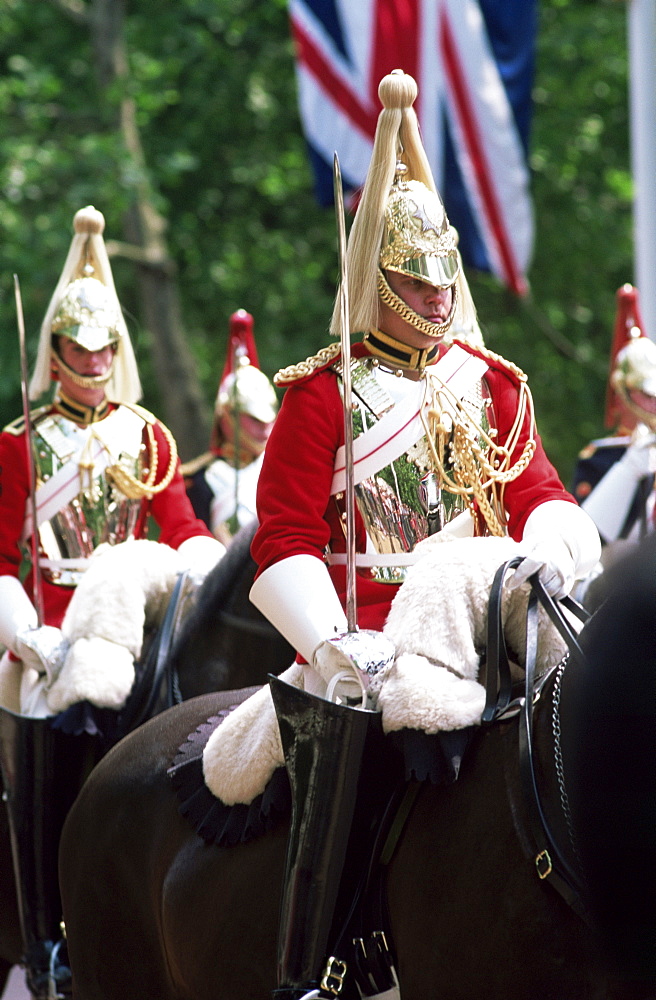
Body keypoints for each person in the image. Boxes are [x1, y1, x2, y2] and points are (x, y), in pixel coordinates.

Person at [245, 71, 601, 1000]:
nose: (438, 295)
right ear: (377, 274)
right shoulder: (322, 392)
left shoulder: (493, 382)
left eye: (445, 274)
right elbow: (282, 536)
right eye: (413, 276)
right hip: (370, 635)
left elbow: (543, 495)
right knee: (348, 750)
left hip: (486, 620)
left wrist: (551, 555)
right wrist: (333, 646)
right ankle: (318, 958)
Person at [0, 205, 224, 999]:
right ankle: (46, 926)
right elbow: (3, 557)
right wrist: (25, 633)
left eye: (104, 349)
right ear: (54, 353)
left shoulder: (152, 437)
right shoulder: (20, 440)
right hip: (54, 625)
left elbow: (184, 527)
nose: (93, 361)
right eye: (78, 349)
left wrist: (213, 568)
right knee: (39, 712)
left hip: (141, 610)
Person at [183, 309, 278, 544]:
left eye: (268, 419)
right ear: (226, 418)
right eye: (254, 419)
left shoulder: (282, 472)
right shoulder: (197, 480)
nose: (265, 428)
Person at [573, 284, 656, 547]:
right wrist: (629, 470)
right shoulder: (599, 458)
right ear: (622, 394)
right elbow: (588, 536)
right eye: (646, 395)